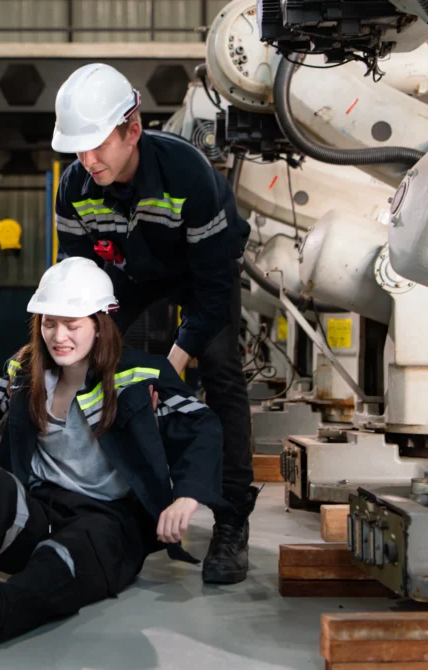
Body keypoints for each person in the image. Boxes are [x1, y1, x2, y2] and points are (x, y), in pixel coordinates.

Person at [0, 257, 228, 665]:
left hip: (107, 525)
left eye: (72, 324)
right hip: (40, 512)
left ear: (100, 322)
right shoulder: (23, 371)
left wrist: (186, 496)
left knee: (64, 555)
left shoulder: (140, 373)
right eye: (49, 323)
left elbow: (202, 427)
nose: (58, 336)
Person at [50, 63, 257, 584]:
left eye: (98, 144)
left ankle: (231, 520)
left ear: (133, 130)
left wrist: (170, 366)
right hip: (129, 273)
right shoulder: (75, 189)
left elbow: (211, 295)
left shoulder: (187, 175)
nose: (87, 159)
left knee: (221, 373)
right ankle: (109, 499)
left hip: (200, 269)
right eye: (78, 148)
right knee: (92, 361)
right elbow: (81, 288)